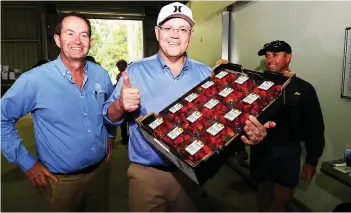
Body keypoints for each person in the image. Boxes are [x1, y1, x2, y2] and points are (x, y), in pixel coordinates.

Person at [102, 2, 276, 211]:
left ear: (190, 36)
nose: (175, 35)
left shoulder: (207, 75)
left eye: (183, 29)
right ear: (157, 33)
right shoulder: (135, 72)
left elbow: (222, 122)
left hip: (191, 175)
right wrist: (120, 105)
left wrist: (250, 133)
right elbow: (108, 117)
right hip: (147, 176)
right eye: (168, 28)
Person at [1, 12, 115, 211]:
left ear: (91, 41)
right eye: (69, 34)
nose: (77, 41)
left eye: (84, 35)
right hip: (60, 183)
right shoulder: (35, 80)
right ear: (57, 39)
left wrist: (111, 137)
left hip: (100, 174)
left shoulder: (101, 75)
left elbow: (110, 111)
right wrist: (27, 162)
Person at [250, 40, 325, 211]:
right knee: (263, 191)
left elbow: (315, 126)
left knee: (283, 197)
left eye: (275, 55)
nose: (270, 60)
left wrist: (311, 160)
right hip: (261, 149)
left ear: (288, 57)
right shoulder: (256, 85)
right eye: (267, 56)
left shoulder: (304, 89)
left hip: (288, 151)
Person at [115, 59, 129, 145]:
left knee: (130, 122)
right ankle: (124, 139)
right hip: (122, 100)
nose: (118, 69)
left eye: (119, 67)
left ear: (124, 66)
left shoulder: (129, 74)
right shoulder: (118, 76)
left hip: (129, 99)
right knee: (123, 122)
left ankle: (129, 139)